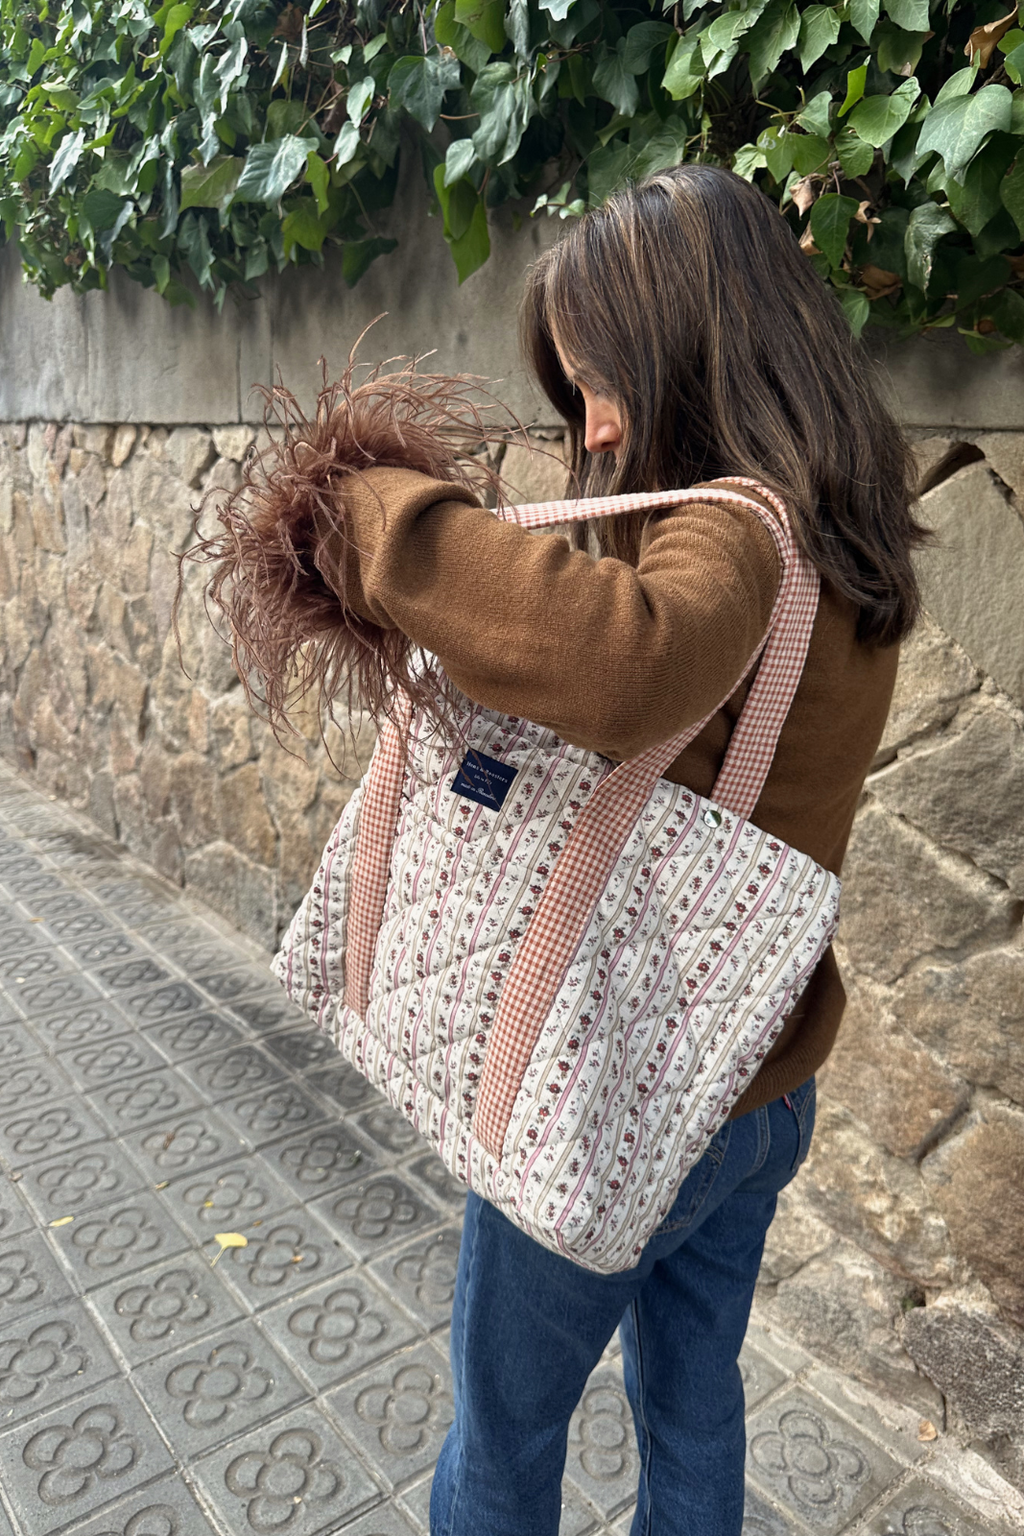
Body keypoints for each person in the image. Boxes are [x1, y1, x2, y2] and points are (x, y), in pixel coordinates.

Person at [198, 164, 926, 1535]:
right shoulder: (846, 533)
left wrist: (364, 516)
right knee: (694, 1402)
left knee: (501, 1441)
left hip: (620, 1091)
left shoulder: (733, 538)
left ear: (688, 352)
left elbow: (623, 660)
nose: (589, 425)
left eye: (601, 381)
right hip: (758, 1088)